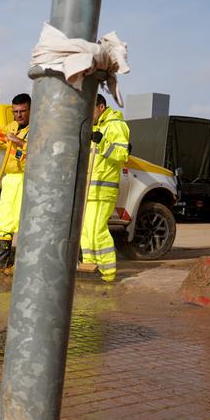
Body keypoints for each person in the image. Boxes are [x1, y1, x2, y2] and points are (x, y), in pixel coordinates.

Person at [80, 93, 130, 282]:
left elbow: (122, 155)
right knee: (86, 231)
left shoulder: (116, 125)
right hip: (89, 189)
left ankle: (107, 272)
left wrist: (102, 142)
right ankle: (90, 266)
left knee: (97, 230)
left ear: (101, 107)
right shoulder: (94, 127)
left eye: (90, 109)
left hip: (103, 189)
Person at [0, 93, 30, 274]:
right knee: (5, 221)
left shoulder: (37, 129)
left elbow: (40, 150)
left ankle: (22, 265)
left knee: (24, 221)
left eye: (23, 111)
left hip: (27, 178)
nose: (19, 115)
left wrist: (19, 142)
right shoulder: (12, 126)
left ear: (31, 110)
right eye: (16, 111)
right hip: (10, 178)